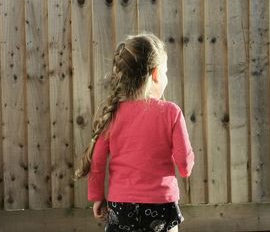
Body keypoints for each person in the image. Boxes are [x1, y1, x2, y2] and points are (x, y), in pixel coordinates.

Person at [75, 33, 195, 232]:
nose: (166, 77)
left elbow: (97, 160)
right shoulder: (171, 112)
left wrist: (97, 196)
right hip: (161, 205)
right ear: (155, 74)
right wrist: (186, 165)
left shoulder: (112, 114)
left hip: (121, 206)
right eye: (165, 72)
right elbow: (184, 165)